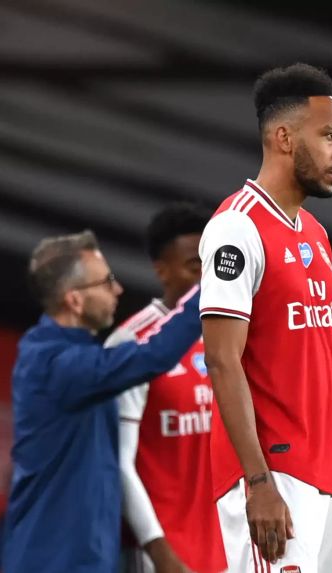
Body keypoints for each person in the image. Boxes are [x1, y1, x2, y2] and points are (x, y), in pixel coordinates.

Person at [199, 63, 332, 572]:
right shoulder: (236, 228)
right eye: (329, 135)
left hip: (331, 479)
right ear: (284, 137)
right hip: (276, 480)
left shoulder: (314, 233)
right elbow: (223, 361)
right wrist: (259, 482)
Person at [3, 230, 202, 573]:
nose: (118, 289)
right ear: (75, 301)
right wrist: (215, 286)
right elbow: (152, 356)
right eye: (106, 281)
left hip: (77, 556)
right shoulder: (56, 365)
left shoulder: (66, 354)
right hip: (56, 561)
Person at [105, 203, 226, 573]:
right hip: (163, 556)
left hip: (230, 549)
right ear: (161, 270)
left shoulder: (232, 337)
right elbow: (118, 462)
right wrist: (160, 552)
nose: (208, 277)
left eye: (211, 262)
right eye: (194, 265)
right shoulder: (128, 344)